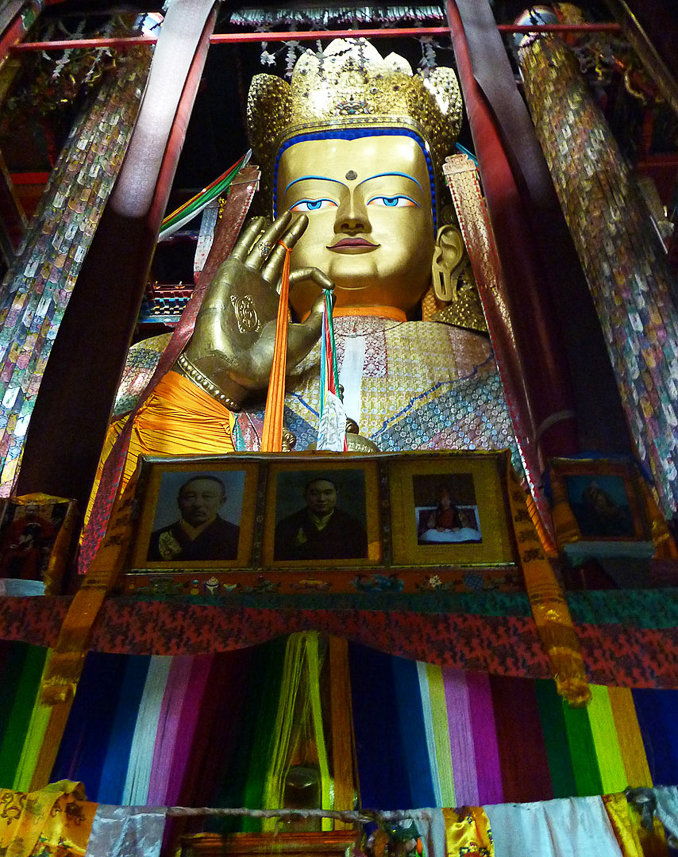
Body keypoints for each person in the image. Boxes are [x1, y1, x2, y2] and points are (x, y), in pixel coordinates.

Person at [93, 38, 519, 511]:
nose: (350, 219)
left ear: (446, 253)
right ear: (267, 241)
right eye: (314, 202)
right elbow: (108, 530)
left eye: (390, 199)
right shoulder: (159, 368)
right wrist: (207, 381)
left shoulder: (501, 375)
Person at [147, 475, 240, 562]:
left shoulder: (237, 537)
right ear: (179, 502)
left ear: (221, 502)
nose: (198, 504)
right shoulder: (154, 539)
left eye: (207, 497)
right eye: (190, 497)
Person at [274, 477, 368, 561]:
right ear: (305, 496)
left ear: (336, 495)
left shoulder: (353, 526)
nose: (321, 499)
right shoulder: (287, 525)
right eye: (314, 494)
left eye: (327, 493)